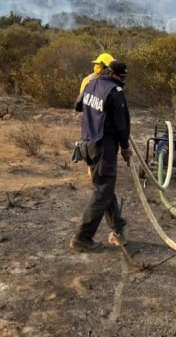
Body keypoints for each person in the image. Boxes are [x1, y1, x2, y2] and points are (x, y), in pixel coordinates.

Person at [71, 60, 132, 252]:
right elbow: (122, 126)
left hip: (87, 144)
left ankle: (118, 226)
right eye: (122, 77)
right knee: (102, 191)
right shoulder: (115, 93)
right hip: (103, 148)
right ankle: (82, 237)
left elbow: (78, 106)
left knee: (104, 188)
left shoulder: (91, 84)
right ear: (115, 74)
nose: (123, 81)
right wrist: (124, 148)